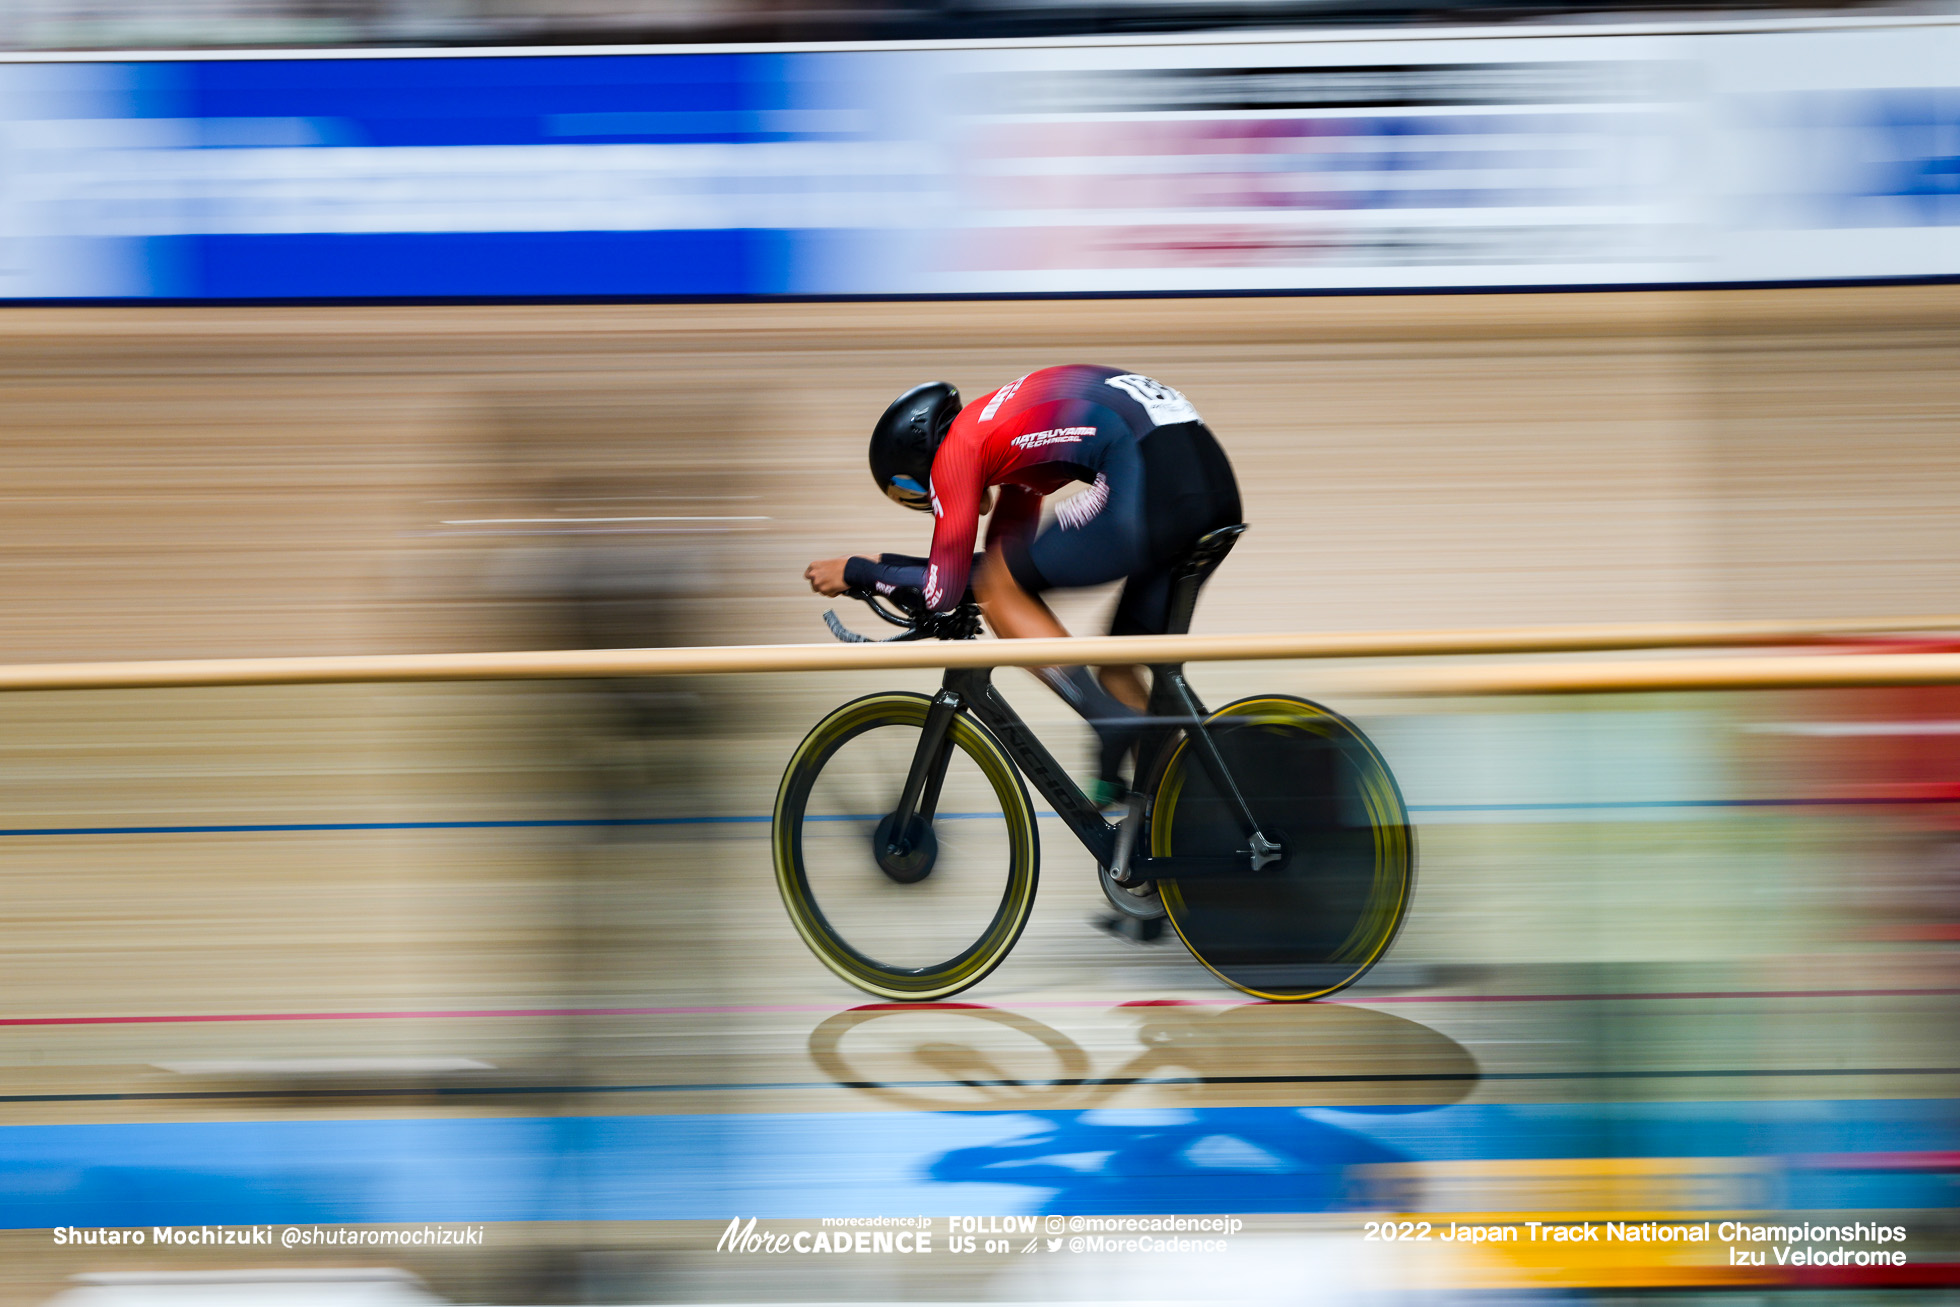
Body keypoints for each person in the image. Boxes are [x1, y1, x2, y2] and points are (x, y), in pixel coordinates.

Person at [804, 365, 1243, 804]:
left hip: (1151, 479)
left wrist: (859, 571)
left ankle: (1107, 722)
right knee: (1119, 664)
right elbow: (998, 565)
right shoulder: (1003, 437)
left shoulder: (957, 450)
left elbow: (947, 591)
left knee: (1003, 592)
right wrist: (890, 569)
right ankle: (1179, 810)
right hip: (1210, 489)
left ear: (918, 474)